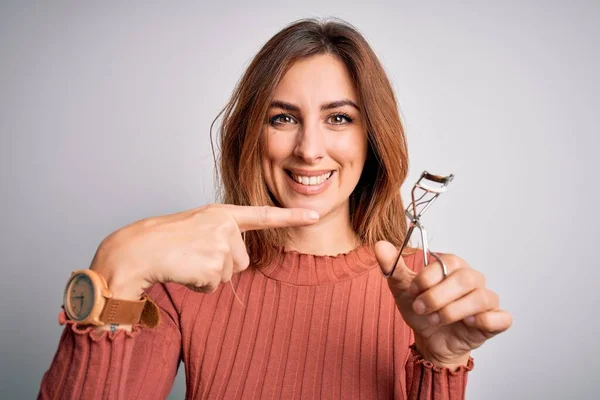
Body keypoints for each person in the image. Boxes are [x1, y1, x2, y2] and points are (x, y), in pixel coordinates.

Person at [38, 17, 512, 399]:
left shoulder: (422, 293)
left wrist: (442, 363)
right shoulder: (185, 285)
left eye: (338, 118)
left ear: (372, 140)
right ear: (252, 134)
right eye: (283, 118)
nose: (309, 149)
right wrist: (115, 267)